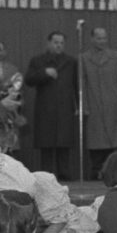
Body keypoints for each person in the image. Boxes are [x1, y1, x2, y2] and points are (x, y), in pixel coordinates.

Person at [24, 30, 78, 181]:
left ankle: (65, 175)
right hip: (45, 109)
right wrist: (44, 73)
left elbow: (76, 85)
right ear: (48, 43)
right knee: (46, 144)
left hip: (65, 108)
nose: (59, 46)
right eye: (56, 42)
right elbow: (28, 80)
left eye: (61, 43)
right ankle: (46, 177)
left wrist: (79, 106)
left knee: (64, 143)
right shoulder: (38, 61)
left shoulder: (71, 62)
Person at [80, 26, 117, 178]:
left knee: (114, 141)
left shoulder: (116, 56)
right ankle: (96, 172)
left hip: (112, 105)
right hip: (93, 104)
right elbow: (81, 83)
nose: (102, 41)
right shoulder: (83, 58)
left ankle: (113, 173)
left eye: (104, 38)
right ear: (92, 39)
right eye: (99, 38)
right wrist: (84, 105)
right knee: (95, 140)